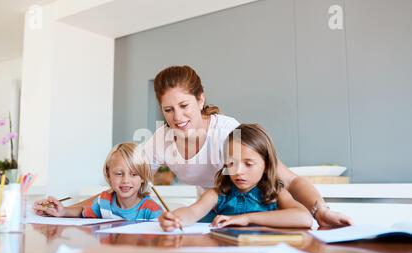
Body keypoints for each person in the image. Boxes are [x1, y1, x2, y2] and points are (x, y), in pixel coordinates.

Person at [142, 65, 352, 228]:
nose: (177, 117)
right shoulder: (162, 139)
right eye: (168, 109)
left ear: (200, 100)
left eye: (184, 105)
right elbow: (135, 177)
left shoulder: (227, 132)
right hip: (215, 212)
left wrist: (321, 211)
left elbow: (291, 180)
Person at [159, 124, 313, 231]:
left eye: (248, 164)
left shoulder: (275, 193)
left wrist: (247, 219)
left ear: (266, 165)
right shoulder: (217, 194)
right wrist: (175, 218)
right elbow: (192, 213)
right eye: (231, 163)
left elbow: (304, 218)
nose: (238, 171)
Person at [33, 143, 162, 220]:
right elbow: (81, 212)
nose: (126, 180)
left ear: (143, 177)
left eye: (134, 174)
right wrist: (62, 211)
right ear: (108, 174)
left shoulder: (151, 209)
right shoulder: (104, 201)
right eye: (118, 173)